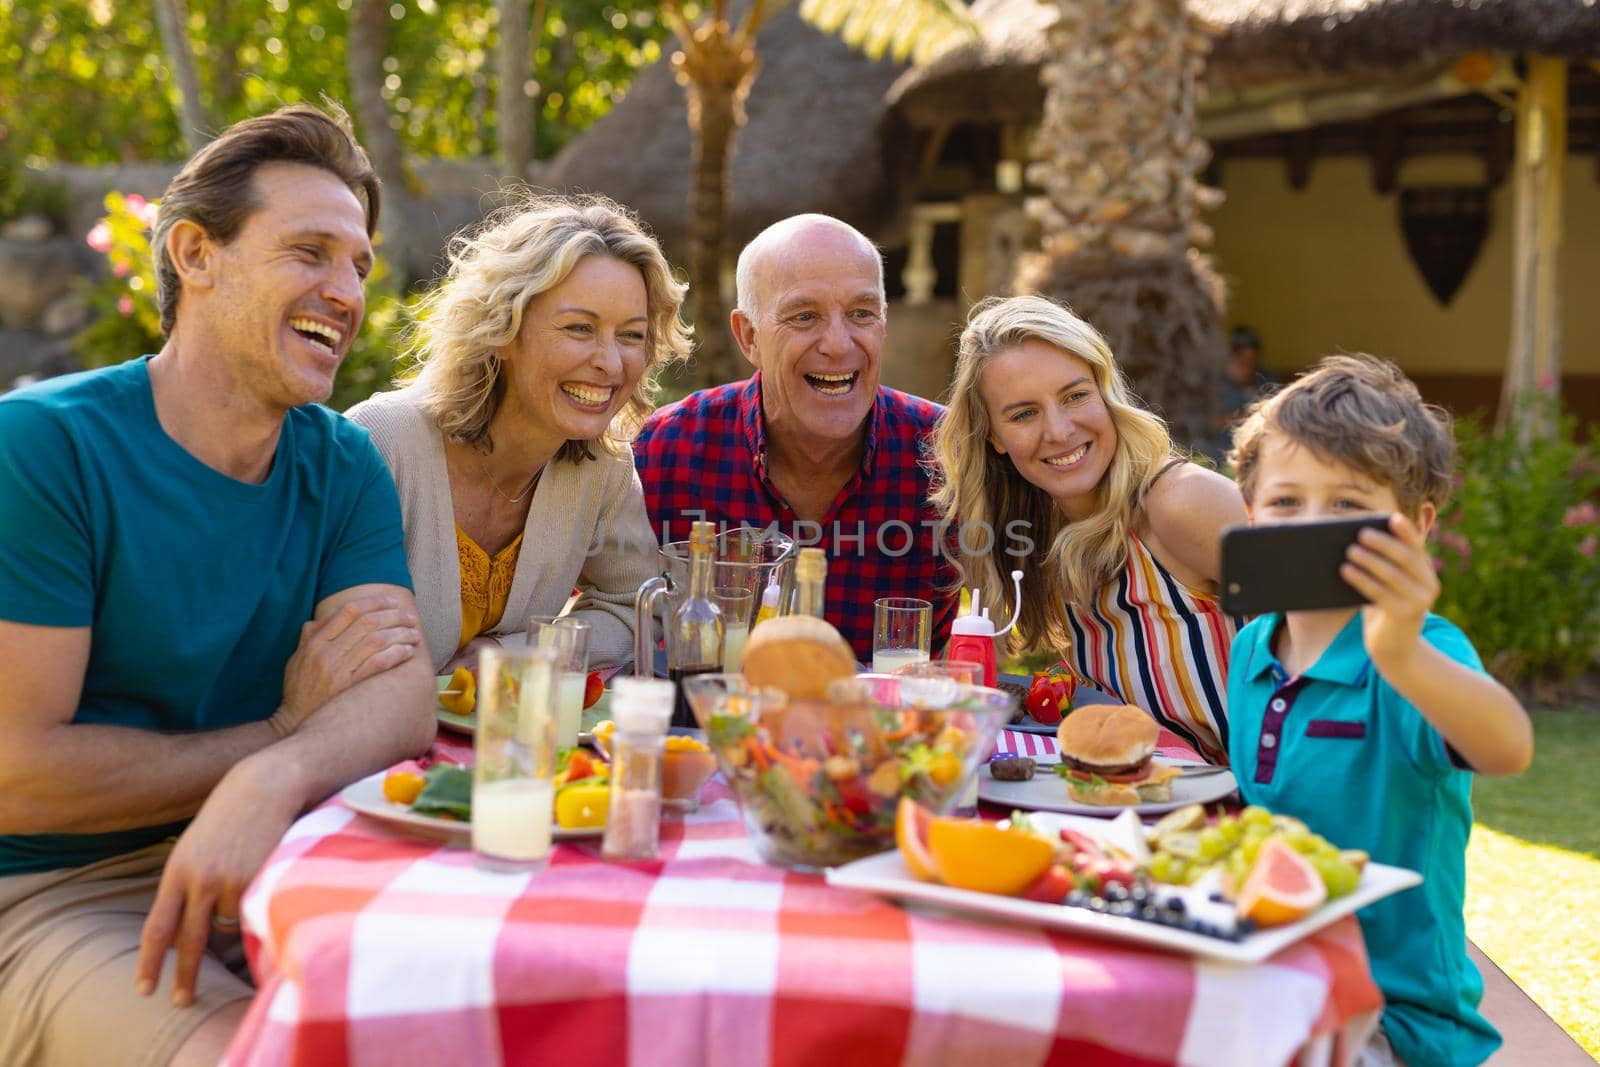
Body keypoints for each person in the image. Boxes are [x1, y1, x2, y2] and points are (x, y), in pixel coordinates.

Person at [0, 105, 437, 1067]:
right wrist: (276, 737)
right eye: (311, 252)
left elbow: (401, 697)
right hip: (59, 897)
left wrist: (272, 778)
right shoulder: (44, 448)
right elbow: (16, 771)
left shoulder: (343, 463)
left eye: (359, 265)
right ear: (196, 254)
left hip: (287, 858)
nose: (347, 290)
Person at [1225, 354, 1532, 1067]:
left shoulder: (1422, 652)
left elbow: (1508, 747)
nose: (1311, 524)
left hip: (1394, 1022)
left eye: (1347, 505)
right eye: (1286, 502)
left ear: (1416, 525)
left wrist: (1400, 654)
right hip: (1280, 982)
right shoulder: (1250, 648)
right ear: (1249, 513)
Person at [347, 195, 688, 673]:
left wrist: (514, 657)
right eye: (579, 328)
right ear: (503, 329)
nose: (611, 363)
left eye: (630, 335)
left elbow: (639, 608)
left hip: (506, 746)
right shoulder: (380, 444)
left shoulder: (603, 469)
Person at [931, 294, 1247, 763]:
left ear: (1106, 392)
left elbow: (1335, 636)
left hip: (1265, 810)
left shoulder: (1178, 501)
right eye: (1023, 414)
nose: (1058, 431)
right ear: (994, 436)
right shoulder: (1046, 536)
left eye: (1075, 395)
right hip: (1147, 809)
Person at [633, 214, 957, 664]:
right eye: (805, 316)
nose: (839, 345)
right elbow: (596, 621)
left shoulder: (951, 458)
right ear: (749, 336)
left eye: (862, 314)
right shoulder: (661, 454)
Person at [1207, 325, 1277, 462]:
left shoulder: (1265, 380)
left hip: (1257, 456)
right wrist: (1244, 417)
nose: (1246, 365)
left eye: (1251, 360)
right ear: (1229, 357)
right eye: (1240, 358)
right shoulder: (1213, 384)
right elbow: (1208, 422)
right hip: (1220, 458)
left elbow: (1277, 414)